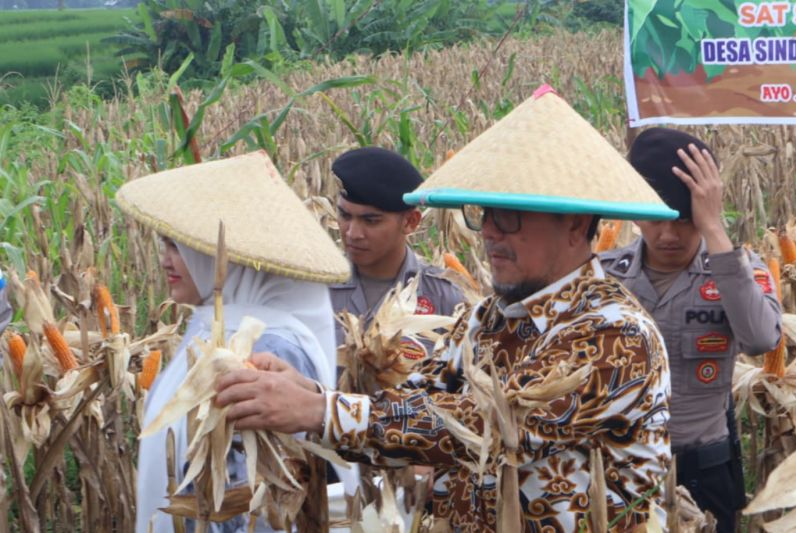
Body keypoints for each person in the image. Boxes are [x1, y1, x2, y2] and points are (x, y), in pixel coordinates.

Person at [215, 87, 676, 531]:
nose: (489, 234)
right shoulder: (486, 320)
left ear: (575, 223)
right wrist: (306, 390)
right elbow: (414, 403)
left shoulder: (617, 333)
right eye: (484, 215)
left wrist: (319, 410)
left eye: (509, 218)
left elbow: (492, 428)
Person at [115, 151, 356, 532]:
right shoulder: (214, 330)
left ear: (226, 256)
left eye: (177, 246)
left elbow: (256, 501)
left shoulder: (268, 347)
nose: (164, 261)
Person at [600, 127, 783, 531]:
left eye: (684, 220)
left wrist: (715, 229)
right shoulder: (603, 276)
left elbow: (761, 338)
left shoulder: (739, 271)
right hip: (620, 474)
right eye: (656, 220)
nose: (668, 235)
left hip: (705, 474)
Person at [329, 147, 465, 347]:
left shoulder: (444, 298)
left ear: (410, 222)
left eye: (371, 221)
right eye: (345, 216)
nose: (352, 233)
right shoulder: (317, 288)